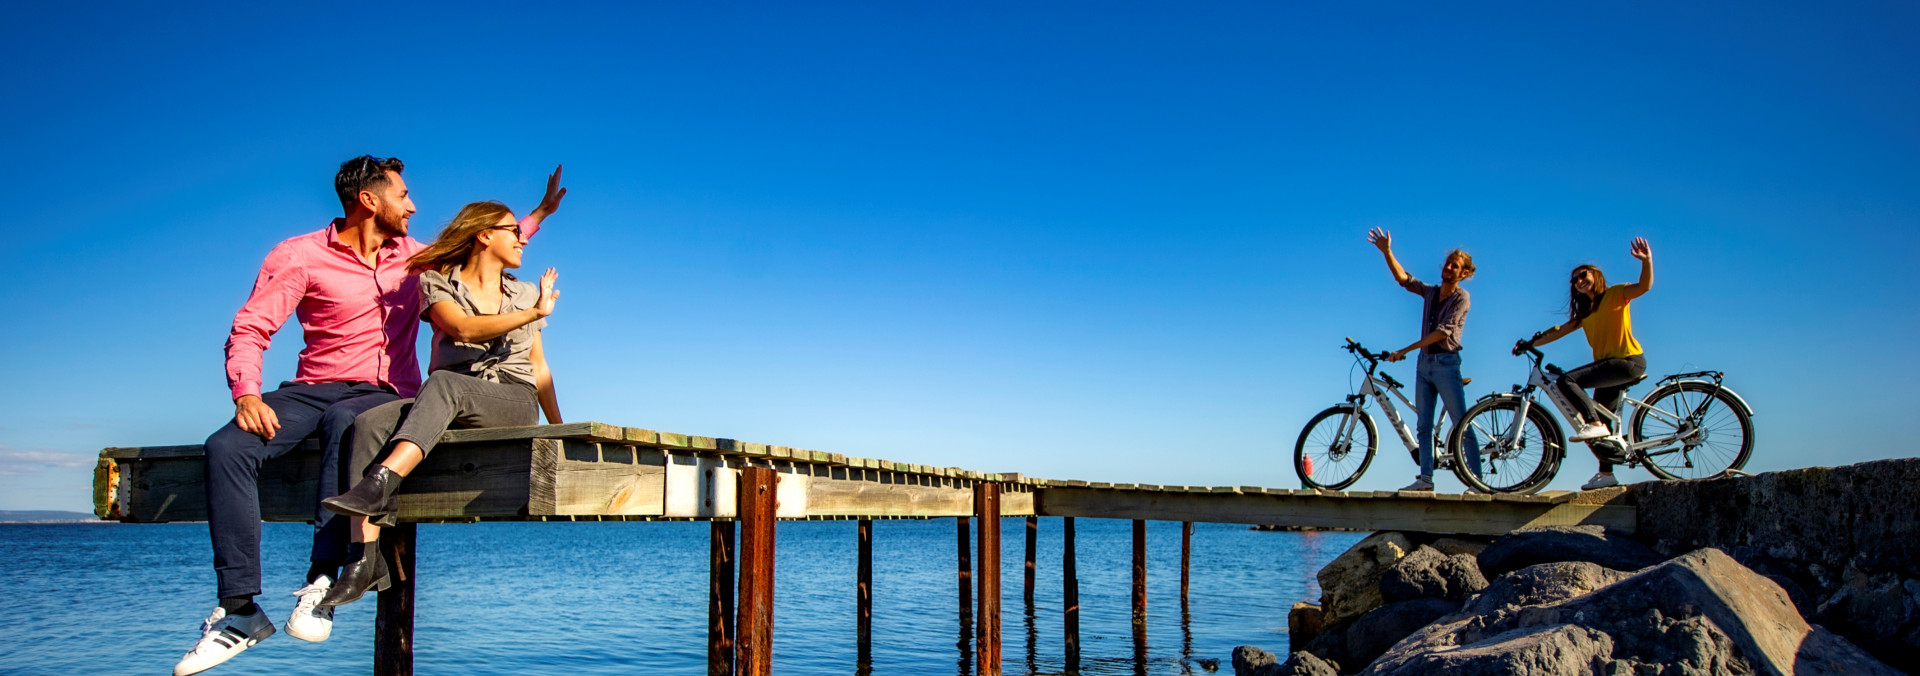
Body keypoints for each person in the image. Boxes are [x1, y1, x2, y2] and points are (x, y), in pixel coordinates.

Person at [175, 158, 565, 676]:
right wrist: (247, 394)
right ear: (368, 200)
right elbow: (251, 327)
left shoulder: (415, 258)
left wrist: (534, 217)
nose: (413, 206)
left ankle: (321, 580)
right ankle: (240, 608)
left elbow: (481, 249)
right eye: (403, 196)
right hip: (312, 387)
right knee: (226, 448)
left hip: (383, 393)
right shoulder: (299, 255)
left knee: (348, 424)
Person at [317, 201, 563, 607]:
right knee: (368, 422)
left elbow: (538, 367)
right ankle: (363, 560)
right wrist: (532, 313)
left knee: (445, 384)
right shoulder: (437, 283)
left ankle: (381, 482)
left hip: (510, 400)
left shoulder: (526, 293)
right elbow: (462, 328)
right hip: (449, 399)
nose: (521, 238)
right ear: (484, 235)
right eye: (513, 231)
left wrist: (556, 430)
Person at [1513, 238, 1654, 491]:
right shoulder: (1585, 313)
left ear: (1595, 275)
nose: (1579, 281)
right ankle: (1606, 474)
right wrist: (1530, 343)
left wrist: (1647, 262)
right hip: (1608, 366)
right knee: (1600, 416)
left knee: (1569, 381)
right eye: (1574, 280)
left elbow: (1644, 286)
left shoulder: (1615, 294)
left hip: (1627, 361)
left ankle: (1595, 424)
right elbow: (1559, 331)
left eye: (1583, 275)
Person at [1366, 228, 1483, 492]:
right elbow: (1404, 279)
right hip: (1424, 365)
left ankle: (1477, 482)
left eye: (1455, 266)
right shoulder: (1430, 292)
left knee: (1461, 423)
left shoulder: (1461, 297)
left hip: (1446, 364)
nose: (1449, 267)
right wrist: (1387, 252)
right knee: (1423, 426)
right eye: (1447, 263)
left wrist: (1406, 348)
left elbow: (1443, 332)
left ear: (1464, 273)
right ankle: (1426, 479)